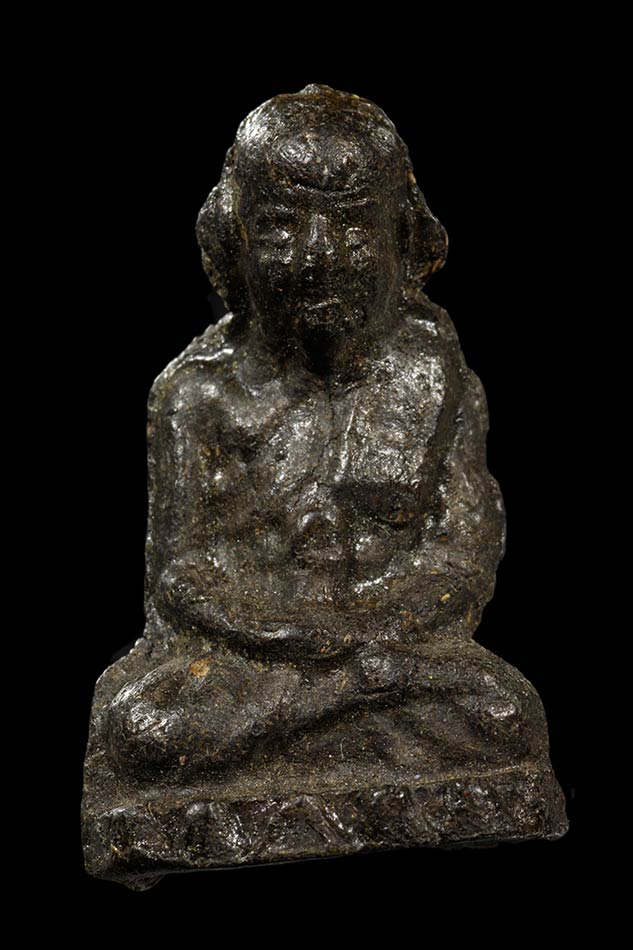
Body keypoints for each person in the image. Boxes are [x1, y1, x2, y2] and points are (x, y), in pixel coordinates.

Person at [106, 84, 550, 786]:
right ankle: (340, 711)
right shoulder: (197, 397)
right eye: (281, 229)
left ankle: (317, 718)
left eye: (351, 228)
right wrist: (284, 636)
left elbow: (462, 549)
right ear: (233, 240)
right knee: (146, 730)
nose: (317, 256)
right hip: (262, 659)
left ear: (402, 240)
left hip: (391, 649)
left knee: (502, 714)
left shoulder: (435, 380)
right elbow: (181, 574)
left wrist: (376, 626)